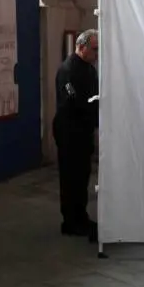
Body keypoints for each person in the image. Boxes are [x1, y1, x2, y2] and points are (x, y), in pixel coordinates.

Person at [53, 29, 99, 240]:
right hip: (69, 131)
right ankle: (70, 221)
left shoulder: (89, 69)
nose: (97, 53)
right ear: (81, 47)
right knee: (71, 177)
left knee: (82, 177)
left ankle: (81, 216)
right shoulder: (68, 71)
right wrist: (93, 110)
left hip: (83, 130)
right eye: (94, 49)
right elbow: (73, 100)